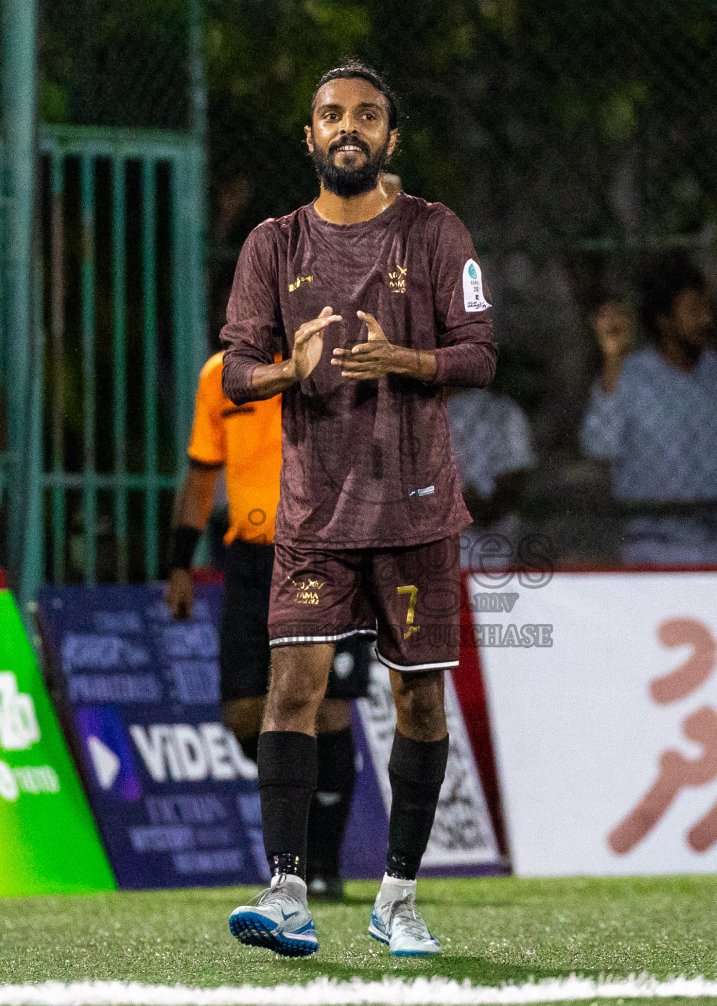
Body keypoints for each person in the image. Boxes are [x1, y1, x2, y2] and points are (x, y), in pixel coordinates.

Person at [219, 59, 495, 958]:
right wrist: (287, 373)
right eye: (332, 115)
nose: (349, 128)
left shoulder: (434, 231)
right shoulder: (273, 245)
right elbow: (233, 373)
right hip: (312, 515)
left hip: (416, 512)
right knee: (290, 691)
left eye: (367, 116)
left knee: (418, 703)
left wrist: (406, 363)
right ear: (310, 138)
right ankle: (288, 888)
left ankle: (399, 897)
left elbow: (481, 354)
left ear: (390, 137)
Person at [164, 350, 371, 902]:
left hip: (327, 551)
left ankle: (320, 863)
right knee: (242, 715)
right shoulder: (220, 375)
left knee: (327, 707)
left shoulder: (337, 362)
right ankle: (302, 795)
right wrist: (180, 563)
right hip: (252, 561)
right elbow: (202, 472)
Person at [580, 260, 717, 564]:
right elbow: (599, 445)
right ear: (664, 321)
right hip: (653, 547)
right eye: (693, 310)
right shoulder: (630, 375)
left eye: (706, 308)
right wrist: (611, 359)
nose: (706, 319)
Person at [446, 378, 535, 572]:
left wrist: (471, 508)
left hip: (490, 549)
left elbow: (513, 482)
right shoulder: (414, 414)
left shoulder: (502, 411)